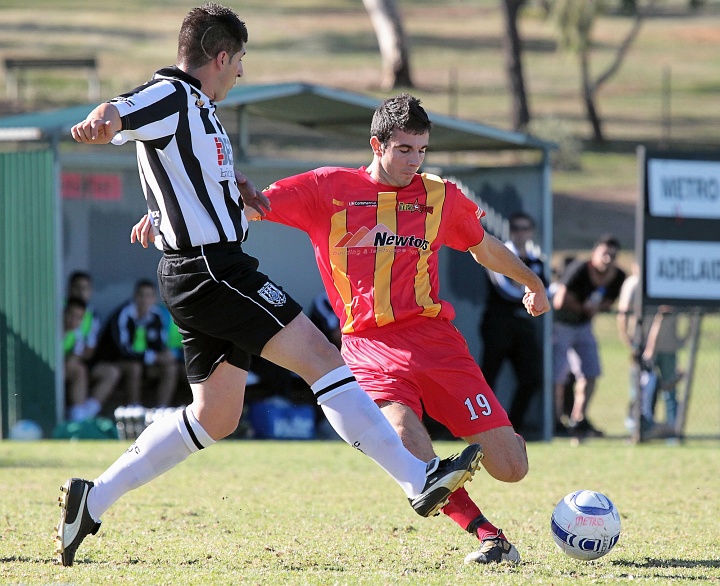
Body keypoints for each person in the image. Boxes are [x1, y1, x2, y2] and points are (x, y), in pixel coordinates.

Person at [56, 3, 482, 568]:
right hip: (212, 270)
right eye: (241, 62)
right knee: (322, 358)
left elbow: (187, 176)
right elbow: (121, 110)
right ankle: (418, 478)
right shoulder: (174, 95)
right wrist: (100, 121)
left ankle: (93, 499)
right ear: (222, 55)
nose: (242, 74)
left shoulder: (201, 110)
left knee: (216, 417)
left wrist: (230, 190)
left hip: (202, 269)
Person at [134, 93, 550, 564]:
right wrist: (164, 216)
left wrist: (532, 282)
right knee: (405, 442)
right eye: (404, 150)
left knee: (512, 468)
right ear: (377, 145)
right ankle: (488, 536)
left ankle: (493, 440)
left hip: (436, 342)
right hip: (367, 347)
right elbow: (245, 206)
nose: (414, 162)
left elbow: (485, 247)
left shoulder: (439, 197)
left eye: (422, 151)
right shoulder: (327, 188)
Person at [552, 234, 626, 439]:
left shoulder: (618, 276)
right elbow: (559, 301)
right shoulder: (579, 269)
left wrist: (596, 308)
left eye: (613, 255)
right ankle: (556, 420)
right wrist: (582, 307)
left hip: (584, 325)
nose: (608, 259)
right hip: (562, 324)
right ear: (595, 253)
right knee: (557, 375)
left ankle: (579, 418)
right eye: (604, 254)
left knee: (591, 372)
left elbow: (609, 301)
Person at [479, 211, 547, 436]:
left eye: (525, 228)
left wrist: (535, 291)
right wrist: (530, 292)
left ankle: (513, 428)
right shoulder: (500, 254)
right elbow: (504, 288)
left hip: (524, 325)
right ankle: (484, 428)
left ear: (531, 232)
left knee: (531, 378)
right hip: (499, 324)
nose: (521, 233)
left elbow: (546, 290)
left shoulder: (536, 260)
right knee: (488, 379)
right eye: (516, 228)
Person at [616, 265, 687, 433]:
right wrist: (629, 339)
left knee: (668, 395)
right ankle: (643, 432)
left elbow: (664, 386)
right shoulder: (633, 284)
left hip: (667, 345)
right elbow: (624, 313)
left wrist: (684, 336)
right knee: (642, 393)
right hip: (639, 421)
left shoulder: (670, 281)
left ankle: (671, 434)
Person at [92, 279, 180, 409]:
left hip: (145, 362)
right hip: (117, 361)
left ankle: (162, 409)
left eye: (149, 296)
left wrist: (165, 354)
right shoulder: (123, 314)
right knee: (134, 367)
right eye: (141, 295)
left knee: (170, 366)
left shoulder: (157, 315)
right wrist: (152, 357)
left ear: (154, 298)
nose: (144, 300)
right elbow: (122, 349)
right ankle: (134, 409)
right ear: (135, 296)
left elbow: (159, 344)